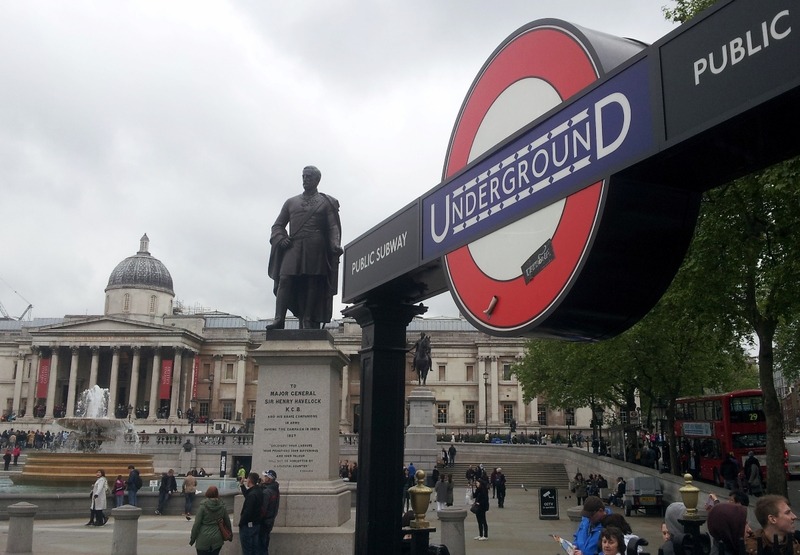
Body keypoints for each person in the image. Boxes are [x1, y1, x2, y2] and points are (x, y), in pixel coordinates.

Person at [266, 165, 343, 330]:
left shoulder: (326, 202)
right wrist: (281, 238)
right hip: (293, 246)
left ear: (317, 180)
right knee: (285, 279)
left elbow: (333, 227)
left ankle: (308, 319)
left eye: (308, 177)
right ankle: (279, 319)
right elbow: (277, 226)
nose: (305, 180)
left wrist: (335, 244)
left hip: (316, 245)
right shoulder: (291, 202)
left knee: (312, 282)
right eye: (303, 176)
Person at [189, 485, 231, 555]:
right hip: (217, 539)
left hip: (203, 538)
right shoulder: (222, 506)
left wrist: (192, 539)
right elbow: (227, 522)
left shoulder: (203, 506)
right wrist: (230, 535)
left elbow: (196, 524)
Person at [239, 472, 262, 555]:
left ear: (249, 480)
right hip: (256, 524)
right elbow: (248, 495)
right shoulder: (258, 490)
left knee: (247, 550)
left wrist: (241, 523)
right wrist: (242, 486)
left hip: (248, 526)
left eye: (247, 479)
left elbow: (248, 512)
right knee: (254, 549)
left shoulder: (252, 494)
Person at [260, 469, 280, 554]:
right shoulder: (275, 489)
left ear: (269, 478)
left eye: (265, 476)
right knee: (264, 544)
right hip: (269, 520)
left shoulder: (267, 491)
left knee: (261, 545)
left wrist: (258, 519)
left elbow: (263, 508)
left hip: (264, 521)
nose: (264, 478)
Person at [471, 476, 489, 541]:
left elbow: (485, 499)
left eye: (477, 483)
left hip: (482, 507)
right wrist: (472, 489)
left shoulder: (484, 490)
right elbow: (474, 496)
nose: (476, 484)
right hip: (478, 507)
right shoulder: (478, 489)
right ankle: (480, 534)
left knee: (483, 520)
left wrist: (480, 503)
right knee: (479, 521)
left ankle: (485, 535)